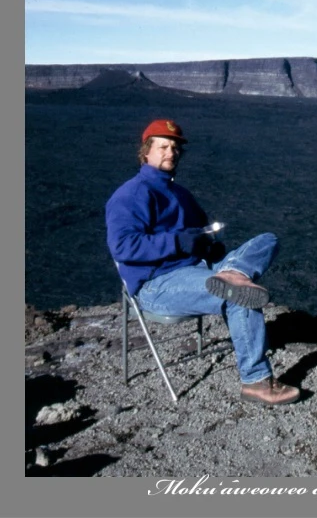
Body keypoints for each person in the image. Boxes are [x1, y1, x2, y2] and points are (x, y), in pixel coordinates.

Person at [105, 118, 300, 406]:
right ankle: (256, 382)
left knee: (267, 240)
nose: (170, 152)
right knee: (240, 297)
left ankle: (233, 273)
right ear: (146, 152)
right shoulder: (131, 194)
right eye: (163, 146)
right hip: (156, 283)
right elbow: (122, 246)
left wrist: (209, 245)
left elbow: (201, 230)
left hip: (197, 269)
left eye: (175, 147)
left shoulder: (181, 194)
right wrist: (177, 242)